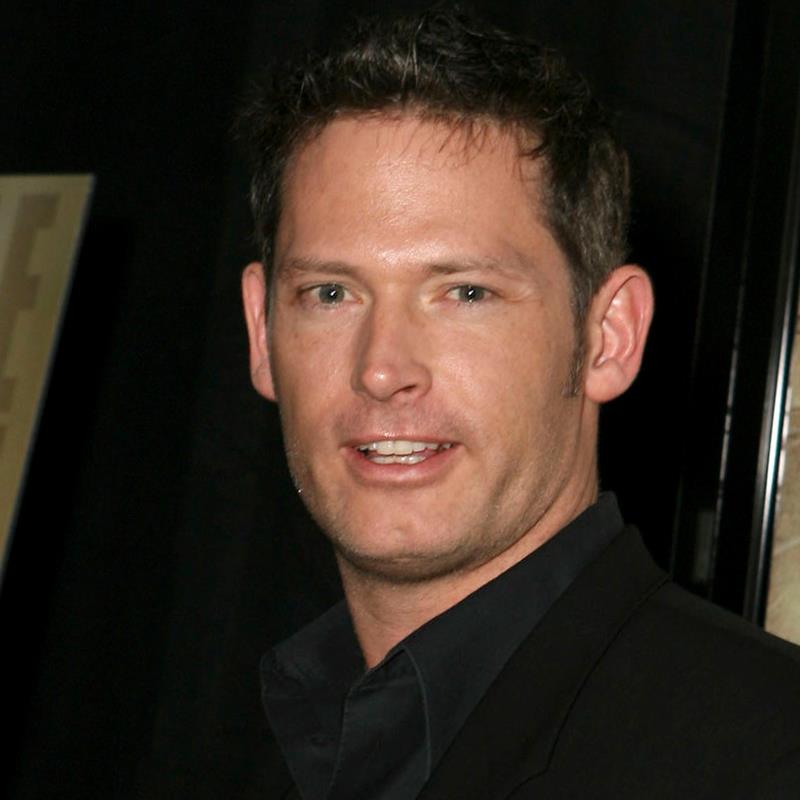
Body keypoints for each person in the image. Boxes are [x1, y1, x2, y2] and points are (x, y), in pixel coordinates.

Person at [238, 8, 800, 799]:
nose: (382, 370)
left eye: (465, 293)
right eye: (331, 293)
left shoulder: (767, 753)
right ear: (263, 333)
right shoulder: (272, 745)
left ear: (608, 337)